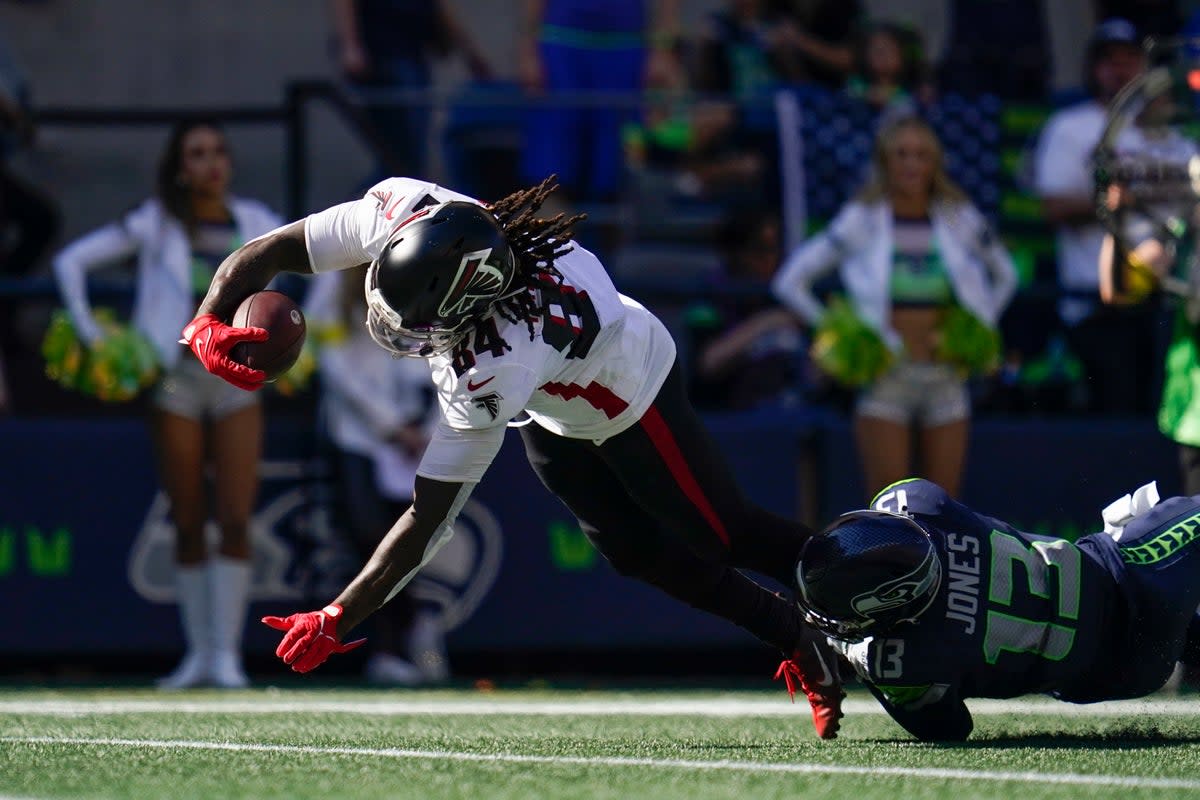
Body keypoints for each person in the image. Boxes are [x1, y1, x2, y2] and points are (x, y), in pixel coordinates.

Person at [182, 174, 843, 739]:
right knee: (632, 551)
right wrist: (207, 320)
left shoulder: (498, 361)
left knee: (721, 530)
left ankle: (867, 583)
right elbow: (272, 249)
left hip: (628, 396)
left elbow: (427, 518)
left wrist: (338, 615)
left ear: (468, 306)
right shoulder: (406, 209)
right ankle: (793, 632)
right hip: (553, 407)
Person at [53, 120, 283, 688]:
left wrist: (307, 327)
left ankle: (227, 657)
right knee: (186, 518)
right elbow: (71, 262)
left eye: (219, 152)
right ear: (181, 167)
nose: (211, 163)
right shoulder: (154, 222)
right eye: (197, 154)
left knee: (234, 515)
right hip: (175, 376)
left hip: (236, 379)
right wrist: (91, 333)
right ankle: (198, 655)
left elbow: (325, 266)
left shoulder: (256, 223)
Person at [793, 476, 1200, 741]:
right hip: (1125, 573)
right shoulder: (918, 502)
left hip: (1116, 675)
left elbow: (948, 729)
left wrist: (861, 657)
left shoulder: (905, 661)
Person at [771, 115, 1018, 501]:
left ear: (935, 162)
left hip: (947, 376)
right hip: (887, 376)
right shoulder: (861, 218)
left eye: (921, 154)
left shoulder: (960, 217)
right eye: (901, 154)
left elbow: (1006, 274)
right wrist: (844, 334)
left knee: (943, 511)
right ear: (884, 161)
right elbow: (790, 281)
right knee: (888, 510)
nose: (911, 164)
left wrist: (976, 329)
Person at [305, 266, 450, 685]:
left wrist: (427, 424)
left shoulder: (425, 273)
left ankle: (409, 637)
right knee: (370, 536)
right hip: (358, 435)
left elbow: (445, 356)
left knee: (408, 541)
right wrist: (387, 424)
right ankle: (391, 644)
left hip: (420, 432)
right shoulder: (333, 283)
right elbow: (329, 360)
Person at [1033, 18, 1155, 415]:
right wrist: (1117, 202)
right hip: (1095, 303)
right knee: (1116, 424)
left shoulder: (1169, 132)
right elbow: (1053, 208)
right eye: (1109, 60)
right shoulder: (1069, 126)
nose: (1119, 69)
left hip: (1165, 304)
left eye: (1129, 59)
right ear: (1092, 68)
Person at [518, 0, 681, 204]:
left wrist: (663, 49)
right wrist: (529, 50)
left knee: (617, 171)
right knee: (549, 170)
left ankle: (610, 231)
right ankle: (551, 234)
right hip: (561, 43)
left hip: (625, 46)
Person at [330, 0, 493, 179]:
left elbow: (442, 9)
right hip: (383, 53)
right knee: (401, 159)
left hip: (411, 53)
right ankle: (364, 204)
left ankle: (382, 200)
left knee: (404, 158)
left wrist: (469, 53)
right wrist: (351, 44)